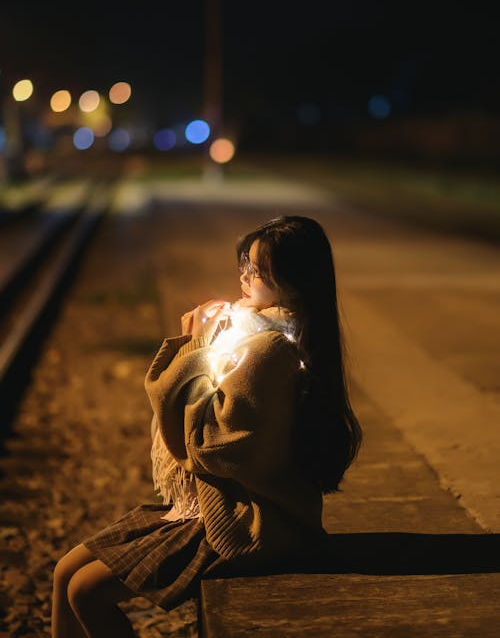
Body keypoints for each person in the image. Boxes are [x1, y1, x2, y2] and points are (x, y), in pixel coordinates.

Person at [51, 214, 362, 637]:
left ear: (294, 280)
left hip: (247, 521)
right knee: (64, 572)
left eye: (258, 268)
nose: (244, 275)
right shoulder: (251, 336)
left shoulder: (269, 350)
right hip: (213, 501)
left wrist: (194, 347)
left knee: (85, 591)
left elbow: (209, 447)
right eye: (244, 264)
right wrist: (193, 344)